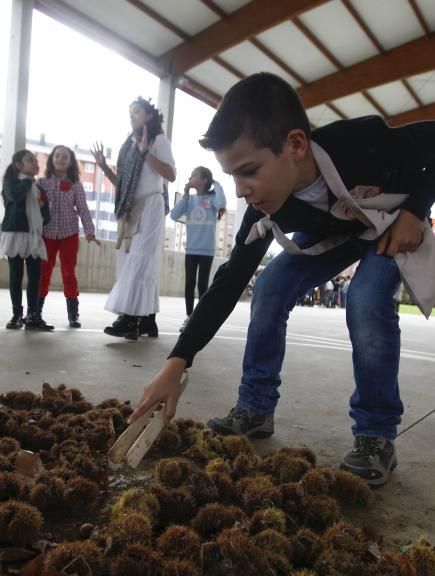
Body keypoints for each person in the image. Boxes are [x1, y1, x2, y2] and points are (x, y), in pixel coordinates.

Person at [128, 72, 435, 488]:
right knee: (269, 285)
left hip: (385, 226)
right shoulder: (264, 206)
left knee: (365, 299)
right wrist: (177, 360)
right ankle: (254, 408)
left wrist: (415, 212)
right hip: (333, 234)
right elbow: (231, 278)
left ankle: (375, 436)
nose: (240, 191)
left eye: (248, 171)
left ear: (295, 145)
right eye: (232, 175)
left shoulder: (360, 141)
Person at [91, 97, 176, 341]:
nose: (132, 116)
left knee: (141, 259)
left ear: (148, 115)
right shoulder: (129, 144)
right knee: (131, 261)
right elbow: (124, 184)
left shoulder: (158, 140)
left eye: (136, 111)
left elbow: (170, 174)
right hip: (130, 209)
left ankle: (130, 319)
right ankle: (147, 319)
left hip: (151, 205)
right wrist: (104, 167)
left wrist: (146, 152)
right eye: (130, 113)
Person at [38, 145, 97, 328]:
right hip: (46, 233)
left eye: (65, 157)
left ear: (70, 161)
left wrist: (89, 231)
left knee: (68, 273)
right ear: (51, 159)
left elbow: (83, 209)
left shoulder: (76, 185)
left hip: (68, 234)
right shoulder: (41, 182)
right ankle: (35, 312)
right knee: (43, 272)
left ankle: (73, 314)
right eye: (57, 156)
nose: (60, 159)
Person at [1, 150, 54, 331]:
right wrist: (29, 182)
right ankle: (17, 314)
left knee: (35, 276)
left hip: (34, 235)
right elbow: (15, 196)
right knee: (16, 275)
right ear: (18, 165)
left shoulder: (38, 189)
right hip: (15, 233)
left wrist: (42, 210)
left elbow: (46, 216)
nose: (35, 163)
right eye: (30, 160)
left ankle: (33, 315)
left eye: (35, 160)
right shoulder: (11, 182)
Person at [170, 167, 226, 331]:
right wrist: (186, 195)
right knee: (189, 283)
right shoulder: (190, 200)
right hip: (191, 249)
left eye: (193, 175)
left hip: (206, 250)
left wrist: (216, 183)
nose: (190, 177)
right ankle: (189, 317)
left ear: (203, 180)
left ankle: (202, 319)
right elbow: (174, 215)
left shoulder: (214, 199)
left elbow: (221, 202)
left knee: (202, 284)